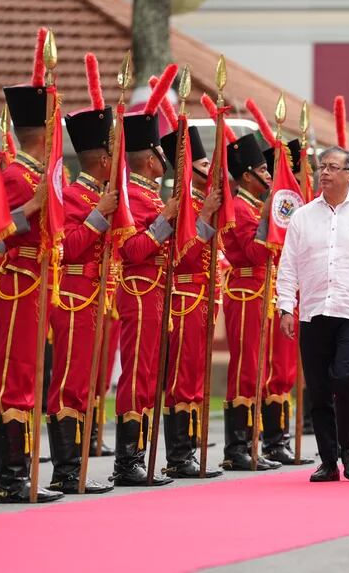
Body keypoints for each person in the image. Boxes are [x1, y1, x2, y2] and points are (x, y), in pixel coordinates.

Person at [276, 146, 349, 482]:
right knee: (318, 387)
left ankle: (348, 448)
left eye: (332, 167)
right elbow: (288, 266)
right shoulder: (302, 217)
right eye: (321, 167)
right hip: (313, 313)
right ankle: (328, 460)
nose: (324, 173)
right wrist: (286, 306)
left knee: (344, 378)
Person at [0, 32, 62, 504]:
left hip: (40, 283)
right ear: (44, 131)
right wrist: (32, 208)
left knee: (33, 376)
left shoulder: (41, 174)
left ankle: (23, 472)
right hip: (17, 281)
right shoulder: (17, 176)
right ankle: (11, 477)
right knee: (15, 375)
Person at [44, 62, 118, 495]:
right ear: (104, 159)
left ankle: (74, 467)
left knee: (85, 382)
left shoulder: (101, 197)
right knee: (69, 381)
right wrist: (97, 217)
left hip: (95, 297)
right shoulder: (74, 196)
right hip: (72, 293)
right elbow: (65, 247)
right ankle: (65, 471)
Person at [110, 81, 182, 487]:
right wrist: (163, 223)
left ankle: (136, 456)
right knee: (136, 374)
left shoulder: (152, 196)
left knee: (149, 374)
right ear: (151, 160)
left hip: (155, 293)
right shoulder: (136, 198)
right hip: (138, 291)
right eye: (159, 154)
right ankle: (127, 460)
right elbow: (132, 250)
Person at [158, 126, 222, 477]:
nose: (208, 169)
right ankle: (180, 455)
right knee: (183, 377)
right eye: (200, 163)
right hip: (184, 296)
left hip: (203, 298)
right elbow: (183, 257)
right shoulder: (184, 205)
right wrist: (206, 217)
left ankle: (189, 450)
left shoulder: (199, 203)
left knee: (195, 376)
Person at [220, 132, 282, 471]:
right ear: (247, 175)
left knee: (259, 369)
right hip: (245, 292)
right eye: (262, 169)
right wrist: (268, 217)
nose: (269, 175)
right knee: (245, 369)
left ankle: (249, 443)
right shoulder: (242, 208)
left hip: (260, 292)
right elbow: (255, 254)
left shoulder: (253, 206)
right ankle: (237, 447)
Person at [260, 138, 313, 465]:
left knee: (288, 369)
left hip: (296, 296)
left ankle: (279, 440)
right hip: (270, 298)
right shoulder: (276, 205)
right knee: (275, 369)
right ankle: (273, 440)